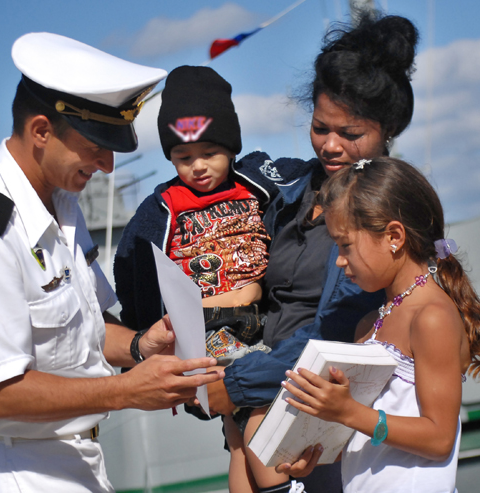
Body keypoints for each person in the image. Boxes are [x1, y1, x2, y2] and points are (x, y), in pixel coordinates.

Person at [0, 33, 224, 493]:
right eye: (96, 144)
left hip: (75, 463)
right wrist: (127, 392)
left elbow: (89, 330)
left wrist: (145, 346)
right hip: (17, 471)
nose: (107, 165)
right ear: (41, 131)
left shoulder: (59, 207)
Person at [192, 13, 420, 493]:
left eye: (351, 134)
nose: (331, 145)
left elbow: (338, 334)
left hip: (318, 424)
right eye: (320, 127)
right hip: (255, 401)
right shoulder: (289, 194)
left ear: (389, 128)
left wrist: (233, 386)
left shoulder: (386, 219)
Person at [114, 65, 310, 490]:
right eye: (184, 158)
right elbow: (133, 267)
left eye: (210, 153)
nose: (198, 167)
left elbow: (311, 178)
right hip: (208, 333)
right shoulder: (161, 208)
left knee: (237, 436)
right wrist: (151, 332)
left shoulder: (257, 180)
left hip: (262, 319)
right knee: (260, 409)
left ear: (231, 146)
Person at [278, 156, 480, 492]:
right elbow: (370, 432)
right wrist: (317, 450)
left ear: (394, 236)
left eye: (344, 245)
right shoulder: (369, 323)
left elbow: (439, 437)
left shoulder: (432, 317)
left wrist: (348, 412)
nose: (340, 260)